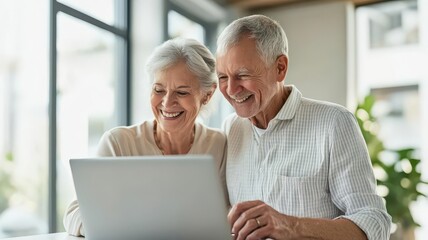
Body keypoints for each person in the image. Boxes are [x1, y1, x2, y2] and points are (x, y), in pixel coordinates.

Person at [216, 15, 391, 240]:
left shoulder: (334, 122)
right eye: (222, 77)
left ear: (280, 68)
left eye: (243, 75)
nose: (231, 89)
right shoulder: (230, 129)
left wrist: (290, 225)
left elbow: (375, 223)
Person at [63, 38, 227, 236]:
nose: (167, 103)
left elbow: (227, 215)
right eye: (158, 90)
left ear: (207, 95)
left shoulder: (219, 145)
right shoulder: (119, 143)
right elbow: (74, 215)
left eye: (181, 92)